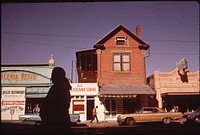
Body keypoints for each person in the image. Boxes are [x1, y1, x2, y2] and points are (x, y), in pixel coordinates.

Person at [39, 67, 72, 134]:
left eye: (53, 74)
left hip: (56, 124)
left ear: (57, 76)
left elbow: (50, 105)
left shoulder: (57, 88)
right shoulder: (64, 88)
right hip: (62, 122)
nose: (51, 77)